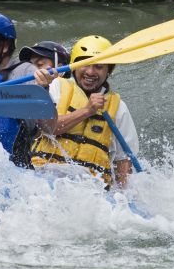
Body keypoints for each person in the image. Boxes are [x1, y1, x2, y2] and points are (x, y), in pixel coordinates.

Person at [28, 35, 139, 188]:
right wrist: (87, 110)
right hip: (45, 178)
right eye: (85, 64)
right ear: (74, 66)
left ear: (108, 70)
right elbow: (48, 128)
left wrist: (125, 199)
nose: (90, 72)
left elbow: (124, 161)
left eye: (99, 66)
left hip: (91, 190)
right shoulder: (55, 86)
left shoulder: (119, 107)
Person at [0, 13, 66, 155]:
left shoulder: (25, 72)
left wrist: (42, 90)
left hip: (11, 166)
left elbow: (49, 128)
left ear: (5, 46)